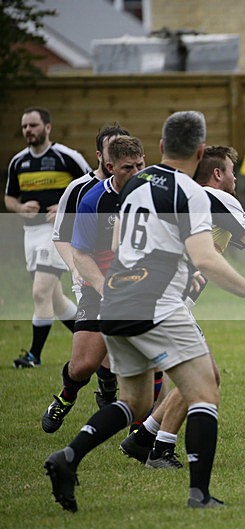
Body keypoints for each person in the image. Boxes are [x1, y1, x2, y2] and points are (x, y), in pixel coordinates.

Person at [43, 111, 245, 512]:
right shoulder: (192, 192)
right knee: (204, 391)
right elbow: (206, 257)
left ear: (162, 147)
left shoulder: (131, 187)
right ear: (201, 152)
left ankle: (69, 456)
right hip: (157, 305)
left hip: (114, 302)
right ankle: (199, 494)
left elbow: (116, 242)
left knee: (133, 402)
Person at [118, 145, 245, 469]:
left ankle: (142, 438)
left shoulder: (198, 203)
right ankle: (159, 449)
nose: (235, 178)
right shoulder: (219, 200)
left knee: (194, 378)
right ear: (218, 174)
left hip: (149, 299)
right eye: (232, 171)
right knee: (203, 378)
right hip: (166, 304)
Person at [41, 134, 145, 433]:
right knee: (84, 365)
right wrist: (104, 288)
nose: (136, 173)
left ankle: (141, 430)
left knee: (146, 360)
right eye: (128, 168)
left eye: (140, 165)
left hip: (142, 288)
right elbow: (81, 254)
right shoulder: (92, 199)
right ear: (110, 166)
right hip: (99, 288)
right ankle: (66, 396)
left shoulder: (153, 193)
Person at [51, 123, 131, 407]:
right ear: (101, 155)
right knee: (88, 359)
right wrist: (76, 268)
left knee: (116, 349)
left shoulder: (135, 186)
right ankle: (71, 394)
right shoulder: (81, 190)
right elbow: (61, 236)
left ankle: (124, 408)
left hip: (127, 282)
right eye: (112, 149)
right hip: (89, 277)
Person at [5, 107, 92, 368]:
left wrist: (66, 209)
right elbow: (10, 197)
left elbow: (91, 185)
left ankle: (34, 355)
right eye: (24, 127)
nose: (28, 131)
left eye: (33, 125)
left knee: (40, 291)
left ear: (48, 127)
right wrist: (20, 208)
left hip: (56, 234)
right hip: (29, 234)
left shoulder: (67, 157)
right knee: (54, 299)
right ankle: (97, 339)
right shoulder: (18, 161)